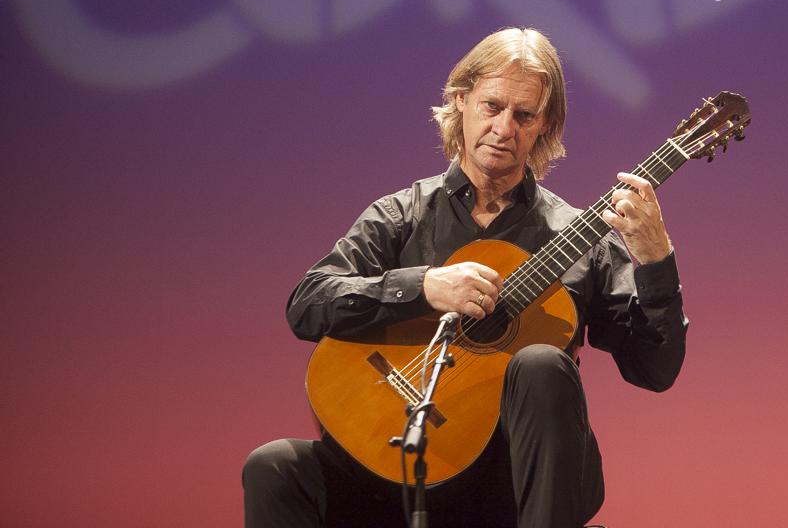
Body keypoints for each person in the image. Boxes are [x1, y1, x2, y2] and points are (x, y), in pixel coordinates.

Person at [243, 27, 688, 528]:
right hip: (390, 472)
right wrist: (423, 286)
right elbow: (307, 303)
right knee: (273, 466)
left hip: (514, 485)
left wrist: (655, 260)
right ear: (460, 100)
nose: (504, 127)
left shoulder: (580, 236)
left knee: (541, 362)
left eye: (524, 115)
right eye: (492, 106)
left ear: (545, 124)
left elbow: (655, 369)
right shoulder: (402, 215)